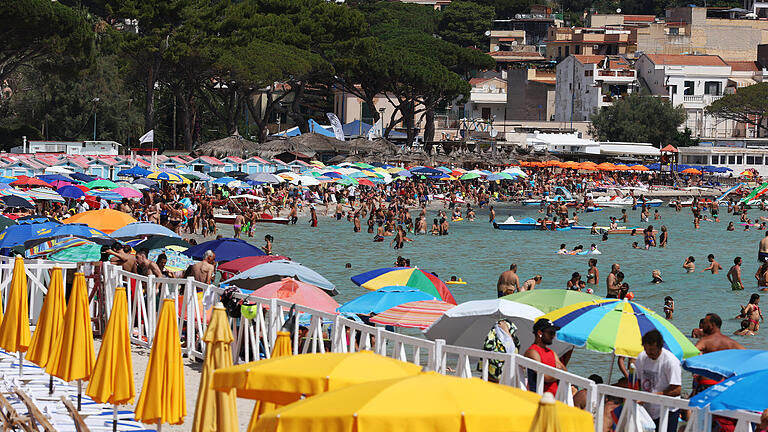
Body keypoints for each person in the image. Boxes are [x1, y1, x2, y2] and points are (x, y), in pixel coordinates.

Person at [635, 329, 682, 432]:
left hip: (668, 409)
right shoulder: (642, 357)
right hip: (646, 407)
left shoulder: (671, 361)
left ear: (660, 347)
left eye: (652, 351)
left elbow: (677, 390)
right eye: (647, 350)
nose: (649, 354)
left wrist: (653, 396)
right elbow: (637, 381)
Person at [524, 319, 567, 395]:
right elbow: (546, 377)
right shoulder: (532, 352)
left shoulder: (551, 352)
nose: (553, 336)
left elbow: (565, 372)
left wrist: (555, 373)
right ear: (540, 333)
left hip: (554, 397)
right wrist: (558, 372)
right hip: (538, 397)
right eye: (551, 333)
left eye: (554, 333)